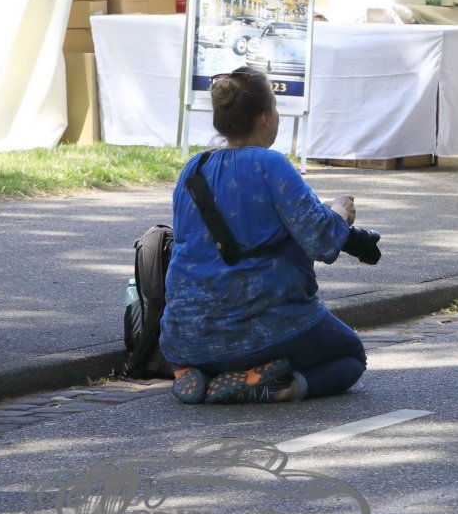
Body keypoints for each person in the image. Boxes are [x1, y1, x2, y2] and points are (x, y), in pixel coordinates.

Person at [160, 67, 383, 403]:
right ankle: (275, 385)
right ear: (265, 117)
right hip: (261, 326)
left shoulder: (194, 167)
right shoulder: (270, 164)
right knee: (351, 357)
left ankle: (193, 371)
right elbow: (321, 240)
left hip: (185, 333)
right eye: (276, 108)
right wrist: (339, 211)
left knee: (210, 347)